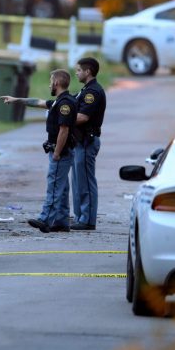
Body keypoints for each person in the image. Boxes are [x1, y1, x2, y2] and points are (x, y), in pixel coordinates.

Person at [0, 69, 77, 233]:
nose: (50, 84)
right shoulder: (59, 101)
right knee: (61, 188)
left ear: (56, 82)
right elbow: (38, 102)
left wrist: (56, 152)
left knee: (55, 185)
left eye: (50, 81)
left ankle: (45, 219)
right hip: (60, 151)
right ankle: (61, 221)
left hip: (60, 152)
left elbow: (64, 130)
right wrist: (16, 100)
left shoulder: (65, 104)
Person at [70, 57, 106, 231]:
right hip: (79, 142)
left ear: (88, 71)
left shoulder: (93, 93)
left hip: (86, 141)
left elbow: (83, 117)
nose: (76, 73)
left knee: (85, 182)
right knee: (77, 182)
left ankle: (88, 220)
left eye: (78, 70)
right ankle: (80, 217)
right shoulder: (85, 90)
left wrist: (61, 120)